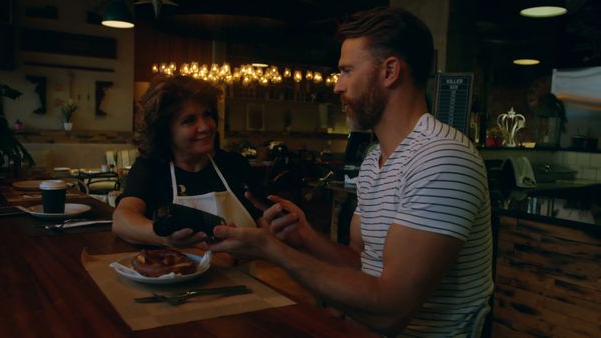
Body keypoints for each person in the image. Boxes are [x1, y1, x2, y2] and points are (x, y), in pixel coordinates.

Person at [209, 7, 493, 337]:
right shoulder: (375, 160)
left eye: (346, 71)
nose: (337, 87)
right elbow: (365, 266)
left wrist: (274, 251)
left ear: (389, 71)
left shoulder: (442, 158)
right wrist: (304, 238)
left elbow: (391, 309)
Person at [112, 76, 261, 248]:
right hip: (180, 271)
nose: (205, 126)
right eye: (189, 120)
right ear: (165, 130)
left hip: (245, 273)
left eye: (207, 115)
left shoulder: (235, 165)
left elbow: (262, 219)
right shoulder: (151, 168)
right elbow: (122, 219)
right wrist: (164, 238)